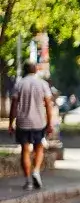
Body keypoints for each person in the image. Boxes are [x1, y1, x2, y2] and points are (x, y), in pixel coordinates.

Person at [8, 62, 54, 190]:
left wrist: (11, 123)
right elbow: (48, 105)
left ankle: (28, 181)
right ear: (35, 70)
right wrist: (50, 123)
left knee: (25, 150)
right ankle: (36, 171)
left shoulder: (19, 84)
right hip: (39, 122)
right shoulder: (43, 84)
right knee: (39, 147)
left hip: (23, 122)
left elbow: (13, 106)